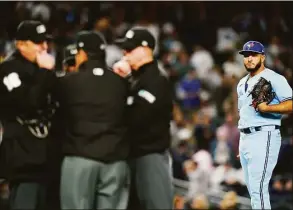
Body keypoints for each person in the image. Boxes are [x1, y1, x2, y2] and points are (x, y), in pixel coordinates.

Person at [56, 31, 130, 210]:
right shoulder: (120, 82)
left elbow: (58, 116)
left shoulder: (69, 81)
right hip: (115, 160)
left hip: (81, 157)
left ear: (81, 54)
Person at [113, 28, 173, 209]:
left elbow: (136, 118)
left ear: (146, 50)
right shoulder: (134, 81)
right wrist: (120, 81)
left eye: (130, 49)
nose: (125, 53)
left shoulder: (156, 80)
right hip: (132, 156)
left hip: (150, 156)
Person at [0, 20, 56, 210]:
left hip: (47, 160)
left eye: (45, 42)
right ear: (20, 44)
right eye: (38, 43)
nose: (44, 48)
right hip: (24, 162)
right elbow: (28, 103)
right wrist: (44, 72)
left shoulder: (44, 69)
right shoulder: (8, 70)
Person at [237, 41, 293, 209]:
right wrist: (243, 143)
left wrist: (268, 108)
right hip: (246, 137)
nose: (249, 58)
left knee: (258, 188)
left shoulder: (275, 78)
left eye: (253, 55)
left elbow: (290, 105)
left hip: (264, 134)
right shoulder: (241, 83)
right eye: (246, 55)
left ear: (263, 57)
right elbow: (244, 114)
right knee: (253, 189)